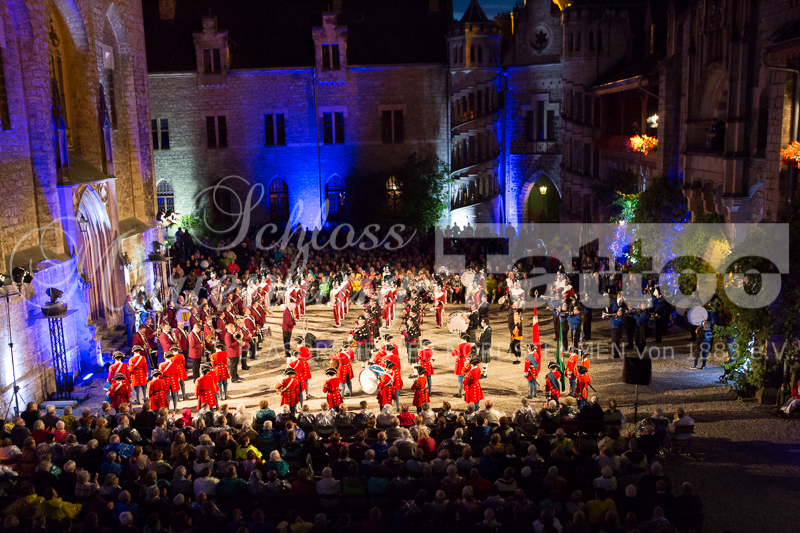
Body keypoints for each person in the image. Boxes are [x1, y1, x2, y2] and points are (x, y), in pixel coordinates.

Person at [451, 333, 471, 398]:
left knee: (460, 378)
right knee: (467, 377)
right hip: (467, 360)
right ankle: (468, 392)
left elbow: (453, 354)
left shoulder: (459, 346)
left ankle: (460, 393)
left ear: (461, 338)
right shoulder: (468, 344)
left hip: (460, 362)